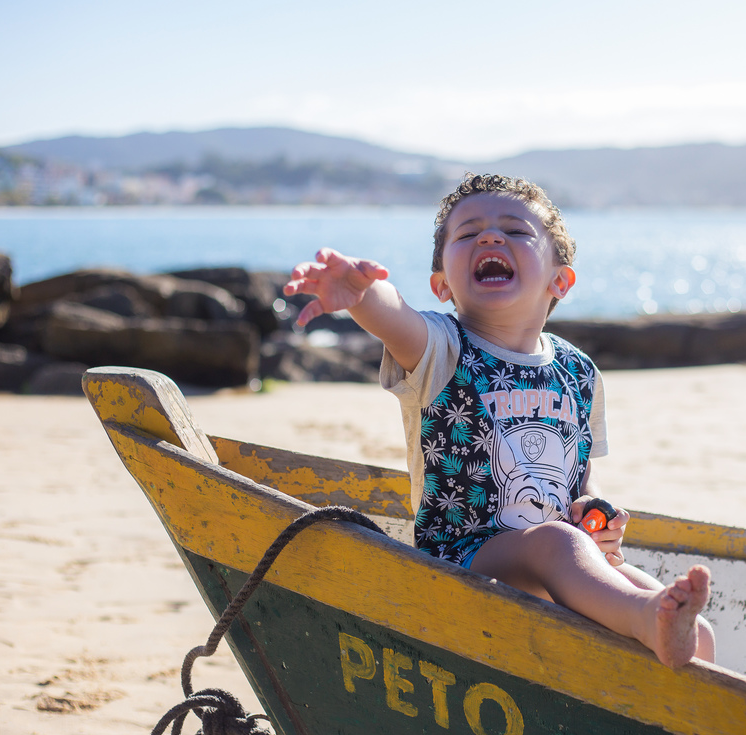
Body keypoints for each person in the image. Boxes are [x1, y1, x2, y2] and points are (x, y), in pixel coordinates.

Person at [284, 173, 714, 668]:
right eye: (467, 234)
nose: (490, 237)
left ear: (560, 280)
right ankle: (644, 619)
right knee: (559, 545)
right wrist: (360, 295)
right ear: (442, 286)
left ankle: (667, 635)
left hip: (557, 556)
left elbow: (579, 470)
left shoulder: (578, 372)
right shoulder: (442, 350)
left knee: (691, 630)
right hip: (462, 559)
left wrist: (593, 512)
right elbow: (395, 317)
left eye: (515, 230)